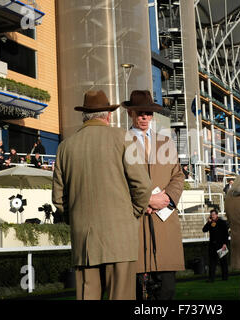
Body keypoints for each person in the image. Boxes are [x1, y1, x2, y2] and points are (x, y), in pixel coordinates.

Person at [52, 90, 152, 300]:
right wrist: (132, 213)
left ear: (84, 115)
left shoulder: (64, 147)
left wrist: (78, 218)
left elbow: (59, 200)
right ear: (108, 115)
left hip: (84, 241)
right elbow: (143, 185)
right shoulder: (123, 137)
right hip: (120, 237)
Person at [124, 90, 185, 301]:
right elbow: (117, 179)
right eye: (140, 112)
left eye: (148, 113)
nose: (144, 117)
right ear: (131, 113)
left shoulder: (165, 142)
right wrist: (147, 201)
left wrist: (166, 199)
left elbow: (178, 176)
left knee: (167, 291)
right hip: (135, 223)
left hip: (164, 223)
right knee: (137, 292)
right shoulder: (120, 142)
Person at [202, 209, 229, 282]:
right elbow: (204, 230)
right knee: (212, 263)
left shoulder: (222, 222)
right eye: (211, 215)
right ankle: (211, 278)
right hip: (212, 245)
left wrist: (225, 244)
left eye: (214, 214)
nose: (212, 216)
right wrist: (208, 222)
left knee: (223, 262)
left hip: (221, 245)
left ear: (217, 214)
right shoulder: (210, 223)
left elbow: (226, 234)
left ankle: (225, 277)